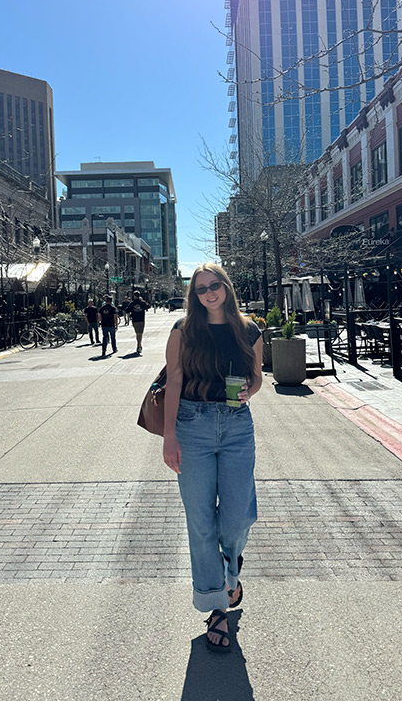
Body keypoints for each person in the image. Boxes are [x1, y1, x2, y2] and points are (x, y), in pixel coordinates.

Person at [163, 263, 262, 653]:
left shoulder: (248, 329)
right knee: (201, 521)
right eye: (201, 288)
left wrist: (249, 392)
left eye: (214, 285)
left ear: (226, 287)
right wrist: (169, 435)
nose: (209, 293)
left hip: (237, 425)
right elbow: (173, 379)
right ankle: (216, 605)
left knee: (239, 515)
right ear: (194, 295)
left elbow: (256, 377)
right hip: (192, 425)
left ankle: (229, 566)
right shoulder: (184, 330)